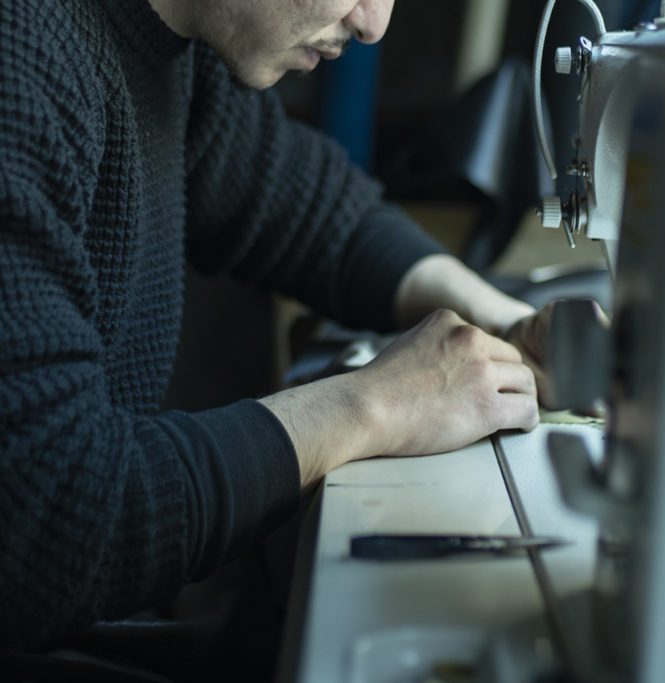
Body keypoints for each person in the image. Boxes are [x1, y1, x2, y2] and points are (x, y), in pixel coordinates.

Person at [0, 0, 556, 672]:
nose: (373, 23)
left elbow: (305, 206)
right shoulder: (21, 63)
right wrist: (374, 406)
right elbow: (45, 521)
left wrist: (503, 325)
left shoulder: (170, 43)